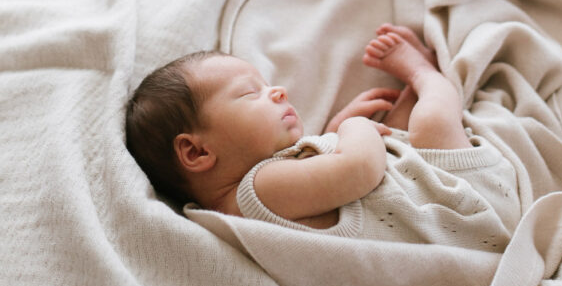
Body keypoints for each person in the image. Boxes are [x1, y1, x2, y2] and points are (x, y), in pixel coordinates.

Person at [126, 25, 521, 250]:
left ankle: (409, 93)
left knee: (401, 129)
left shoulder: (263, 189)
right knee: (432, 123)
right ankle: (424, 72)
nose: (277, 91)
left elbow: (327, 186)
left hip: (426, 201)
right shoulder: (252, 192)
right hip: (469, 207)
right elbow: (361, 169)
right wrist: (354, 129)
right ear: (196, 151)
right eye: (251, 93)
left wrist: (332, 133)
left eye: (267, 85)